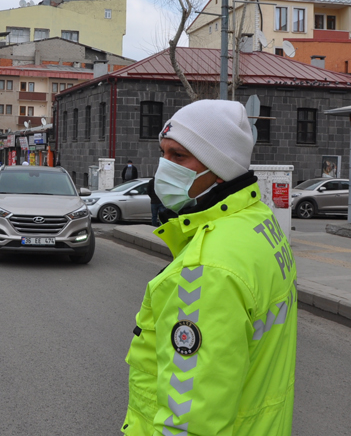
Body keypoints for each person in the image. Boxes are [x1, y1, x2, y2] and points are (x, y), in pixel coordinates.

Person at [121, 100, 298, 436]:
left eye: (179, 156)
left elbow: (190, 424)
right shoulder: (258, 222)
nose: (164, 167)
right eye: (163, 153)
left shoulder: (207, 270)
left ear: (219, 167)